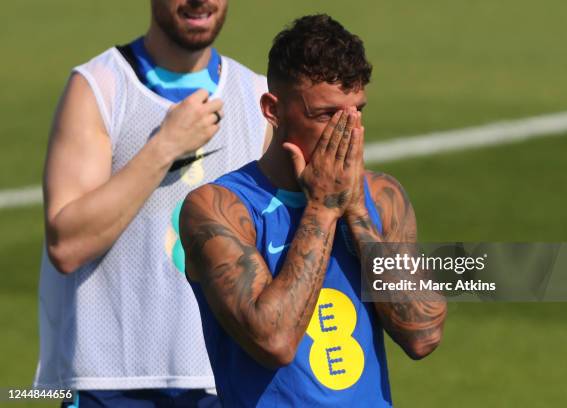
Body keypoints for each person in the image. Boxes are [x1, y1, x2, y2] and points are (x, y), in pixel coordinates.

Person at [180, 14, 447, 407]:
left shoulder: (382, 195)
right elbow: (273, 340)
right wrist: (323, 208)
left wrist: (354, 209)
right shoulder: (219, 208)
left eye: (357, 112)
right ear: (273, 109)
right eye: (327, 115)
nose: (349, 132)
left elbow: (423, 334)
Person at [35, 0, 270, 406]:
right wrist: (164, 147)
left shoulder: (257, 96)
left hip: (223, 381)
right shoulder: (100, 87)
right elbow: (66, 245)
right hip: (109, 383)